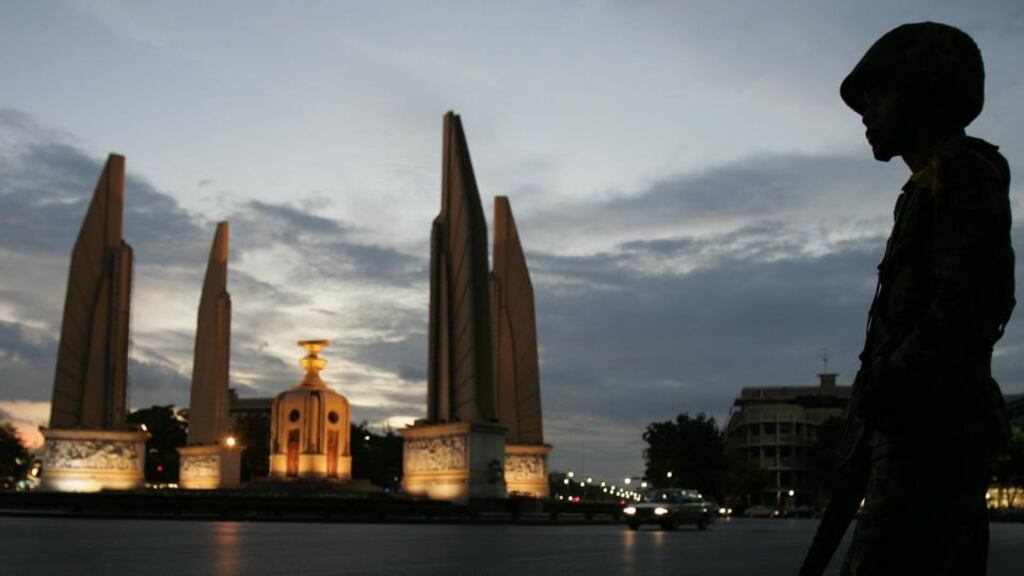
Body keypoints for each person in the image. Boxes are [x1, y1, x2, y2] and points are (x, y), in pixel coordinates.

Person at [800, 22, 1014, 576]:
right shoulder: (924, 186)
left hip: (933, 433)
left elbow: (975, 300)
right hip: (914, 427)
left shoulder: (965, 171)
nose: (865, 112)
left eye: (878, 94)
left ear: (924, 92)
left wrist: (893, 380)